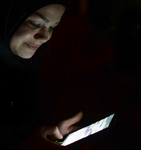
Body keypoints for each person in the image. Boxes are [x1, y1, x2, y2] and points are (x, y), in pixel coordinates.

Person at [0, 0, 85, 149]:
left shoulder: (28, 66)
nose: (45, 37)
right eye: (35, 23)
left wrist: (50, 135)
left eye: (52, 27)